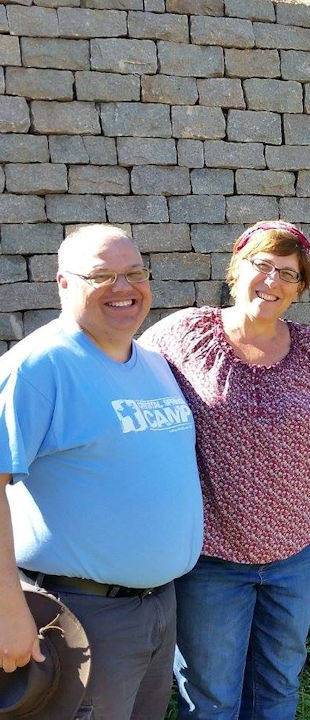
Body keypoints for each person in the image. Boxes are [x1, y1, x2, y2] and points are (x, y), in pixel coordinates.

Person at [0, 224, 203, 719]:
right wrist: (7, 611)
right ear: (64, 284)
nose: (124, 288)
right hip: (81, 615)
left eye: (135, 273)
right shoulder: (37, 368)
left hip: (159, 607)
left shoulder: (153, 362)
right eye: (102, 276)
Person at [141, 220, 310, 719]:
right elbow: (130, 396)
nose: (272, 282)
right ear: (237, 269)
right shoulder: (183, 334)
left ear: (301, 288)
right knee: (210, 699)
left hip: (295, 550)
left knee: (278, 688)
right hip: (212, 558)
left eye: (288, 275)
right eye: (263, 266)